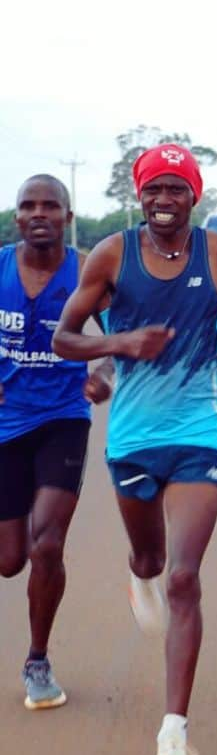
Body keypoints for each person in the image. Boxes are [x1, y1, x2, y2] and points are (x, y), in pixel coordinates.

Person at [53, 143, 217, 755]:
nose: (163, 200)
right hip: (133, 438)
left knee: (184, 578)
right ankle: (136, 571)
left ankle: (173, 736)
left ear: (193, 195)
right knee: (150, 561)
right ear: (138, 195)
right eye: (153, 190)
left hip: (199, 430)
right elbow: (66, 338)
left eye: (176, 189)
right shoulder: (110, 256)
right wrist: (118, 343)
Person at [1, 175, 114, 710]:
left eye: (51, 205)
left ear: (68, 217)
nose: (38, 213)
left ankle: (38, 660)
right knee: (8, 560)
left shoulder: (88, 271)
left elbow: (118, 337)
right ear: (17, 217)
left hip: (64, 419)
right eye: (28, 206)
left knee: (47, 545)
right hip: (6, 425)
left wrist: (105, 374)